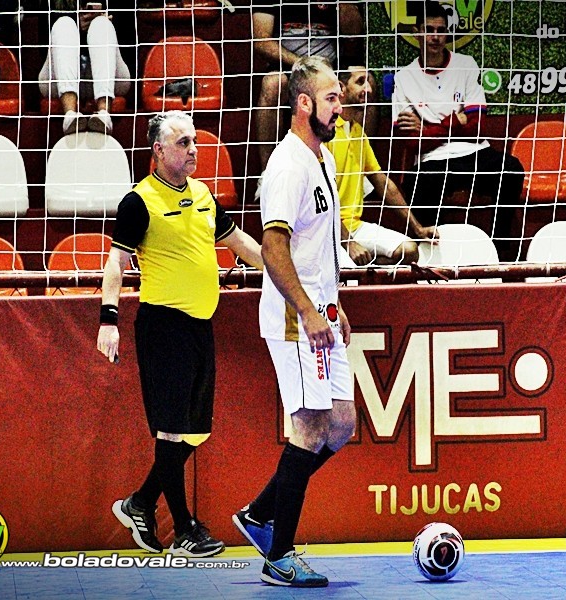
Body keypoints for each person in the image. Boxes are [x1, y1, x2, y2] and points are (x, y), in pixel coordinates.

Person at [98, 110, 262, 557]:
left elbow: (239, 243)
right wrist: (108, 319)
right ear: (158, 150)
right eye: (183, 142)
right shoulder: (139, 202)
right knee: (171, 432)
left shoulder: (204, 195)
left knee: (192, 433)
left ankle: (140, 503)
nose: (194, 149)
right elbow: (116, 262)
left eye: (195, 141)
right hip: (163, 327)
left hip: (199, 327)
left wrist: (282, 271)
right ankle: (185, 530)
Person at [232, 56, 356, 588]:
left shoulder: (321, 156)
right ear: (304, 103)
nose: (341, 106)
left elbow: (316, 246)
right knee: (308, 426)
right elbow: (274, 247)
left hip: (319, 309)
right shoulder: (287, 165)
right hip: (292, 316)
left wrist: (333, 303)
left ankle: (259, 513)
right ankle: (278, 556)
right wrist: (307, 309)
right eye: (332, 98)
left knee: (342, 424)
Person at [392, 1, 524, 260]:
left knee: (511, 169)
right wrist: (455, 121)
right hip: (433, 159)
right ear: (417, 32)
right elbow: (412, 142)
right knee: (416, 184)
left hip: (473, 151)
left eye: (441, 30)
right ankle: (432, 255)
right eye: (429, 30)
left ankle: (499, 250)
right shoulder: (404, 77)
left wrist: (429, 128)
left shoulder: (466, 64)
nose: (435, 37)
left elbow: (477, 126)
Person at [329, 65, 438, 266]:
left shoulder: (357, 132)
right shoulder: (326, 132)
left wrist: (418, 229)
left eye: (369, 83)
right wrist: (348, 243)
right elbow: (321, 197)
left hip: (355, 227)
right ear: (341, 88)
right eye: (360, 82)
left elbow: (383, 184)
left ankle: (365, 268)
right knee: (344, 269)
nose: (369, 89)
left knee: (409, 251)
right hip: (326, 230)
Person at [251, 1, 372, 175]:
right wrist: (302, 64)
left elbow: (353, 34)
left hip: (331, 66)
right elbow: (261, 41)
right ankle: (267, 172)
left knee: (367, 82)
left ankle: (361, 170)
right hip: (289, 65)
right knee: (273, 84)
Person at [39, 0, 131, 135]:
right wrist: (78, 25)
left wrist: (111, 21)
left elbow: (130, 47)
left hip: (109, 76)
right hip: (59, 78)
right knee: (64, 23)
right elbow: (42, 46)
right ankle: (70, 115)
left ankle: (104, 114)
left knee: (101, 25)